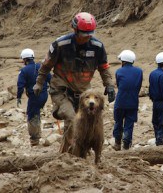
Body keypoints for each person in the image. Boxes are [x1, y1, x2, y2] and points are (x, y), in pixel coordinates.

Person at [33, 12, 115, 152]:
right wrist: (39, 83)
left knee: (84, 121)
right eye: (83, 34)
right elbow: (46, 66)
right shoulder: (60, 45)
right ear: (75, 29)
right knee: (72, 118)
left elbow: (104, 68)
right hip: (61, 90)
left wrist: (109, 84)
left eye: (90, 34)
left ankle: (66, 154)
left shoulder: (97, 47)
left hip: (83, 92)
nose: (87, 37)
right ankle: (75, 153)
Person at [17, 48, 51, 146]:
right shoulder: (41, 66)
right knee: (36, 113)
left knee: (32, 116)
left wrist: (18, 97)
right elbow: (50, 79)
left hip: (34, 96)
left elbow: (20, 85)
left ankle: (35, 140)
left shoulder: (24, 70)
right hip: (44, 95)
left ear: (24, 59)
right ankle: (38, 134)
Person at [112, 50, 143, 151]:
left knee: (118, 122)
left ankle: (117, 143)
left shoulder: (119, 71)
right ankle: (126, 144)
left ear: (123, 61)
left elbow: (119, 84)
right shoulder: (139, 71)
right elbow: (138, 86)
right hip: (133, 102)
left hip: (120, 101)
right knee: (129, 124)